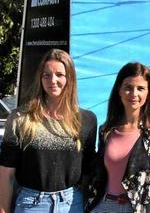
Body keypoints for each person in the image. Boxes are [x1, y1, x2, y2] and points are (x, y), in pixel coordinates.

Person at [0, 49, 97, 213]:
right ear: (40, 78)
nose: (53, 80)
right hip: (31, 205)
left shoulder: (86, 120)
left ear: (70, 78)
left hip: (72, 204)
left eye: (60, 74)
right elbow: (6, 174)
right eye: (47, 75)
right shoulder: (20, 119)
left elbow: (87, 172)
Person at [87, 62, 150, 213]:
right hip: (103, 206)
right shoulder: (106, 130)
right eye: (128, 87)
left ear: (148, 93)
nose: (134, 94)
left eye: (140, 88)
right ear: (119, 91)